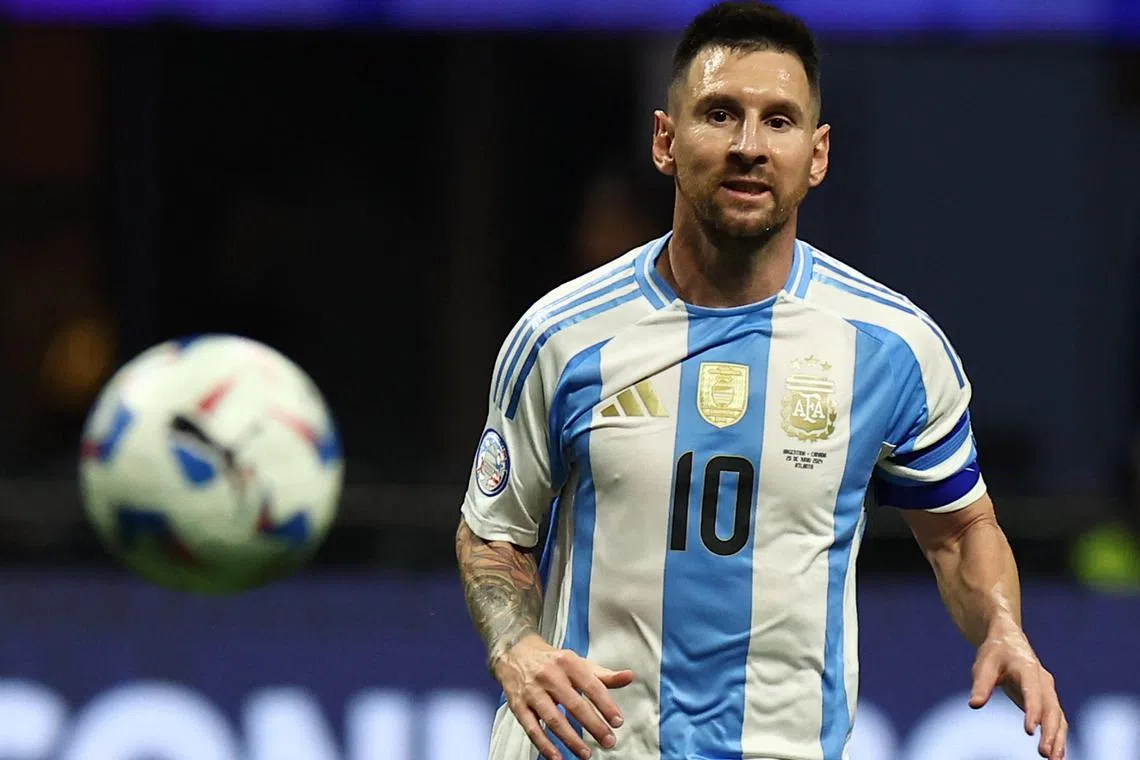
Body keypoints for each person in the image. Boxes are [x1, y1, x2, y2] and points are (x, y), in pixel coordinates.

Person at [454, 3, 1068, 759]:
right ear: (666, 141)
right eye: (720, 114)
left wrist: (1004, 626)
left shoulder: (893, 347)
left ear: (817, 154)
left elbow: (961, 530)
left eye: (779, 121)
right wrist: (517, 646)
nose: (749, 145)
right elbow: (495, 534)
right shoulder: (561, 336)